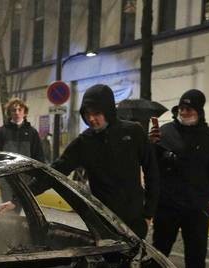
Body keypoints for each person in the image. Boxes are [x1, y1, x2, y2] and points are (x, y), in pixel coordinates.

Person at [43, 84, 160, 239]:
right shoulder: (85, 141)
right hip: (101, 220)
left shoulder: (133, 132)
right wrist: (18, 199)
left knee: (129, 262)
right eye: (87, 113)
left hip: (134, 219)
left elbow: (152, 172)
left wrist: (148, 215)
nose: (91, 119)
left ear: (108, 111)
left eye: (96, 113)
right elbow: (56, 170)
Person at [151, 89, 209, 268]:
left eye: (189, 108)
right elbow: (151, 166)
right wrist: (151, 146)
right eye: (181, 108)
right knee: (159, 255)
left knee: (196, 258)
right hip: (168, 205)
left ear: (199, 111)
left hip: (196, 207)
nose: (184, 112)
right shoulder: (164, 132)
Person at [0, 98, 45, 162]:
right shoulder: (0, 132)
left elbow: (39, 156)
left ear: (25, 113)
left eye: (20, 110)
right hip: (7, 171)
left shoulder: (32, 132)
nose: (17, 113)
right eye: (14, 110)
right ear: (9, 113)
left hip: (26, 171)